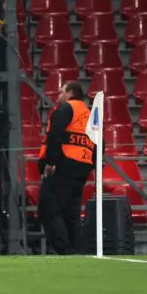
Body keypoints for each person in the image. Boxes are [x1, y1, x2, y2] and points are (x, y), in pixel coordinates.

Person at [37, 81, 95, 255]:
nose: (59, 96)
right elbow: (100, 142)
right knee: (72, 212)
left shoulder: (66, 109)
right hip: (82, 167)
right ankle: (77, 249)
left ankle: (65, 249)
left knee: (49, 206)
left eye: (62, 92)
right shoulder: (89, 114)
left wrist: (50, 162)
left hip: (64, 164)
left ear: (70, 93)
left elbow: (56, 134)